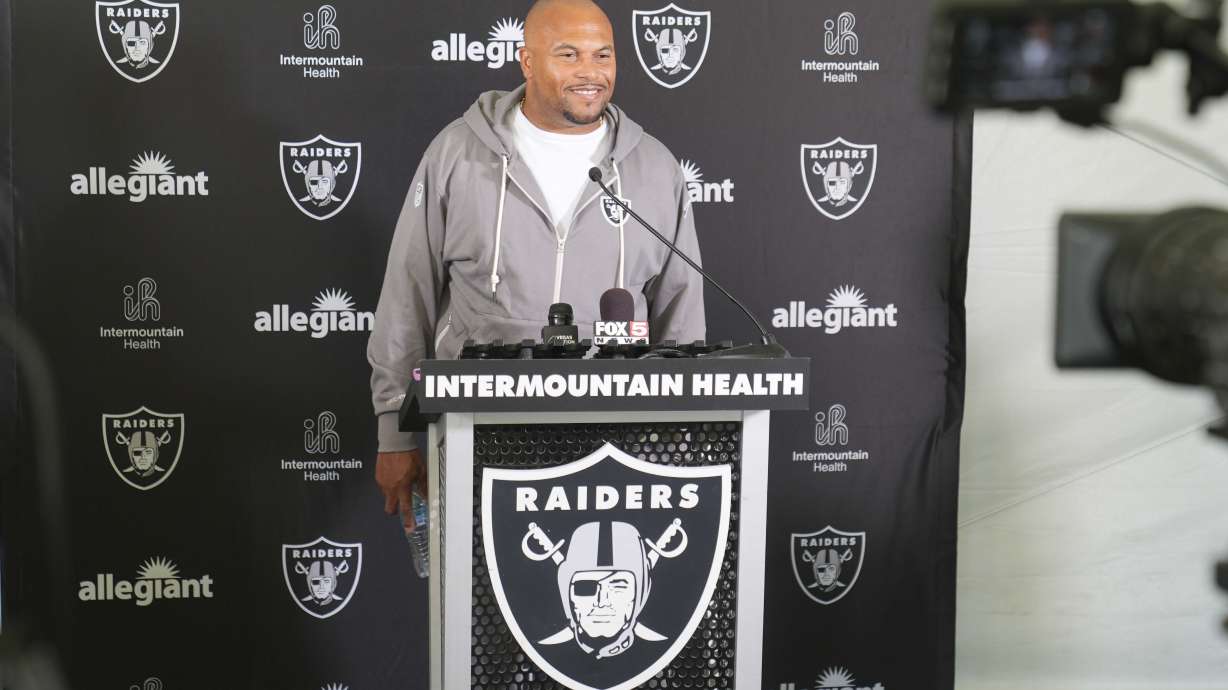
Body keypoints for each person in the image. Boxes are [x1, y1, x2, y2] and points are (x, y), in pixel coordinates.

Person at [367, 0, 706, 532]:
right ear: (526, 61)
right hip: (475, 433)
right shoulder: (456, 152)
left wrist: (679, 438)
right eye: (568, 54)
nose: (590, 72)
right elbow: (407, 291)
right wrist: (396, 429)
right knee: (483, 606)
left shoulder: (655, 167)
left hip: (616, 445)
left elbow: (682, 313)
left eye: (603, 54)